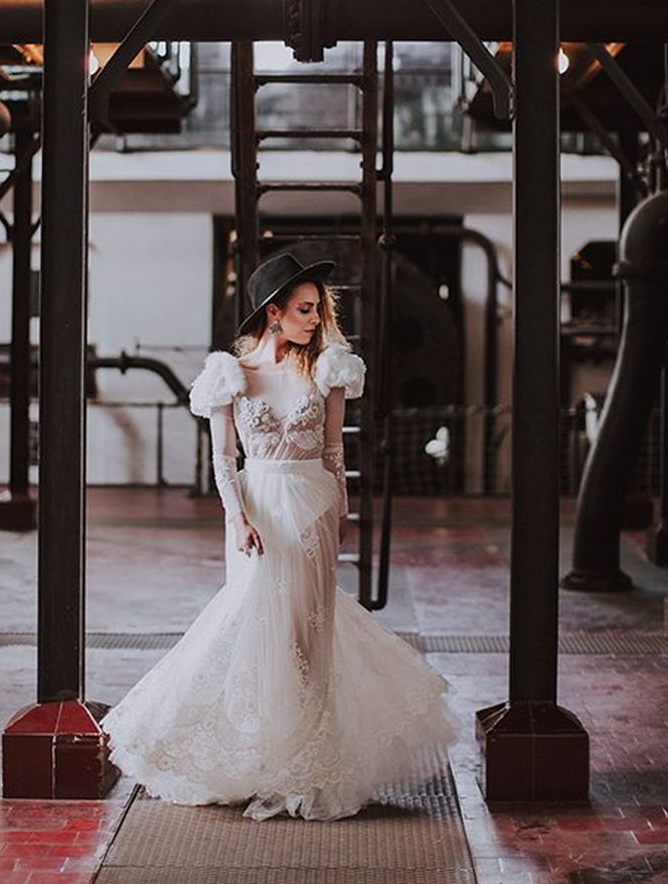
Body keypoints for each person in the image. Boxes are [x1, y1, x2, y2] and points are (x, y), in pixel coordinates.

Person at [102, 251, 456, 821]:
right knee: (252, 627)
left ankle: (307, 761)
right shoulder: (229, 375)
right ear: (274, 313)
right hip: (257, 509)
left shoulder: (328, 369)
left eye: (318, 309)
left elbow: (337, 452)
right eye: (305, 309)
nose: (316, 319)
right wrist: (238, 518)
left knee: (307, 632)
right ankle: (259, 752)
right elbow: (221, 459)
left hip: (311, 505)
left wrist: (340, 510)